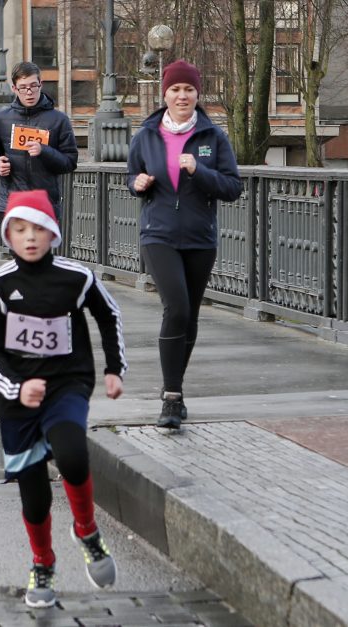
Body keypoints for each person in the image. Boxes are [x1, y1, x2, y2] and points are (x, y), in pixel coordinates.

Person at [0, 189, 127, 608]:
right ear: (8, 235)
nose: (29, 237)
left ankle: (87, 530)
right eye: (19, 229)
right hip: (16, 399)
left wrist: (115, 368)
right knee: (35, 494)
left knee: (73, 454)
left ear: (53, 233)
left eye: (38, 228)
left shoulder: (76, 278)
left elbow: (108, 315)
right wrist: (17, 388)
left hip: (67, 384)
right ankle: (42, 562)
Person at [127, 60, 242, 430]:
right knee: (175, 307)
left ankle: (172, 388)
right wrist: (137, 183)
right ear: (165, 94)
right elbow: (131, 175)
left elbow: (232, 187)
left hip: (199, 238)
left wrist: (199, 171)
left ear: (197, 94)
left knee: (189, 317)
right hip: (158, 234)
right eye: (175, 90)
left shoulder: (213, 137)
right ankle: (172, 398)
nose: (182, 96)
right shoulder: (145, 135)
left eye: (188, 90)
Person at [0, 61, 78, 222]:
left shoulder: (59, 120)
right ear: (14, 88)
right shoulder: (0, 119)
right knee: (17, 248)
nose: (29, 92)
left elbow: (70, 162)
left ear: (41, 85)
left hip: (45, 205)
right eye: (23, 87)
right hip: (11, 203)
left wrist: (44, 151)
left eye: (33, 86)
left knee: (42, 249)